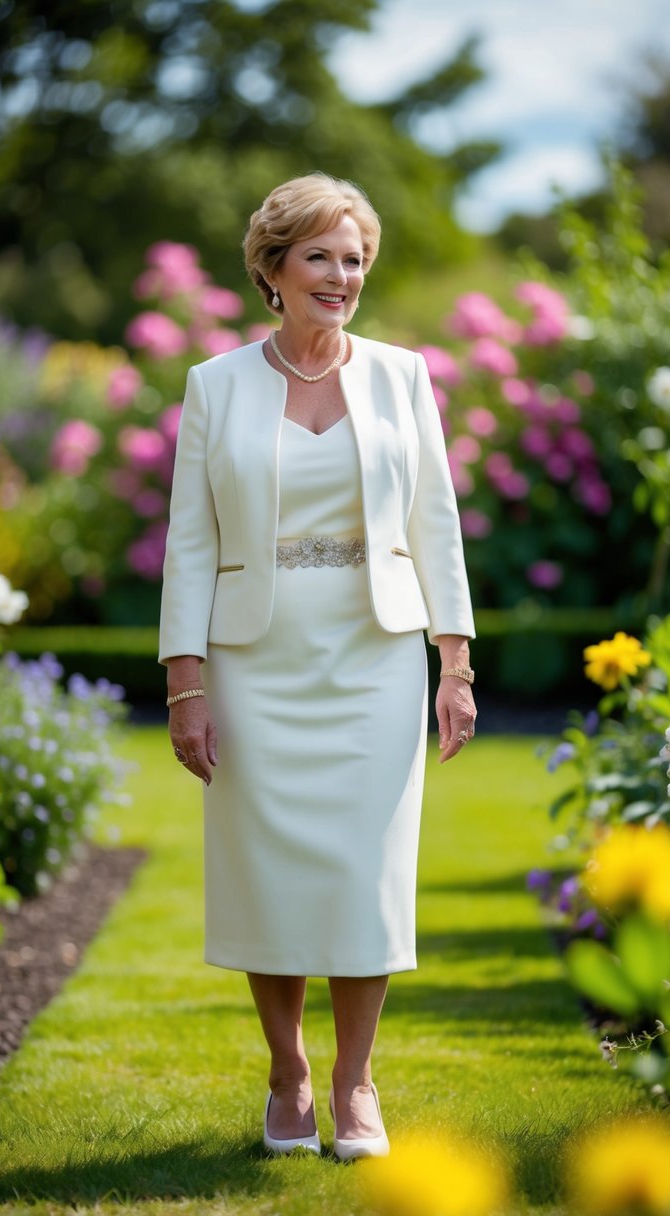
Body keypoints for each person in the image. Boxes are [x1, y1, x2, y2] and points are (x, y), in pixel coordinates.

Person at [159, 173, 476, 1161]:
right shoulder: (215, 385)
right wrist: (186, 683)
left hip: (375, 657)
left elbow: (435, 524)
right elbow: (189, 544)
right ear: (273, 268)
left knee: (362, 872)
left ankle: (357, 1082)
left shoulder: (402, 376)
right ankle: (288, 1071)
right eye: (321, 256)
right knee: (266, 875)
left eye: (355, 258)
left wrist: (453, 663)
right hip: (256, 660)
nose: (341, 275)